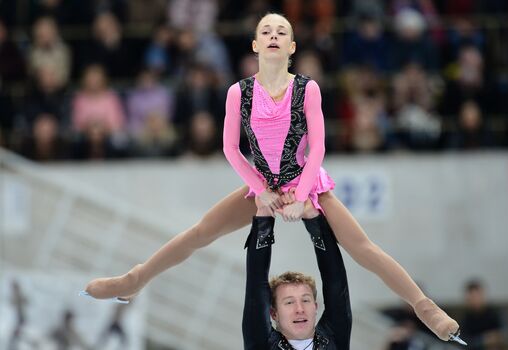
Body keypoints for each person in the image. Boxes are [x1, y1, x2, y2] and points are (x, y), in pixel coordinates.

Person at [84, 13, 460, 342]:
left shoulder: (307, 88)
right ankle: (134, 280)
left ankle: (425, 309)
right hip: (261, 184)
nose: (274, 35)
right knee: (200, 232)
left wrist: (301, 196)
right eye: (266, 31)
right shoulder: (239, 92)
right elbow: (231, 149)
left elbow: (318, 147)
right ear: (255, 44)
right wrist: (261, 191)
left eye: (282, 31)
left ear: (292, 45)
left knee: (362, 248)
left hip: (306, 183)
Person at [243, 197, 351, 349]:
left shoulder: (333, 337)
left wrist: (311, 215)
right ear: (274, 314)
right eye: (289, 302)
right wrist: (264, 216)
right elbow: (256, 282)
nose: (299, 309)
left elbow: (335, 281)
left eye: (305, 300)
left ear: (315, 307)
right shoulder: (263, 344)